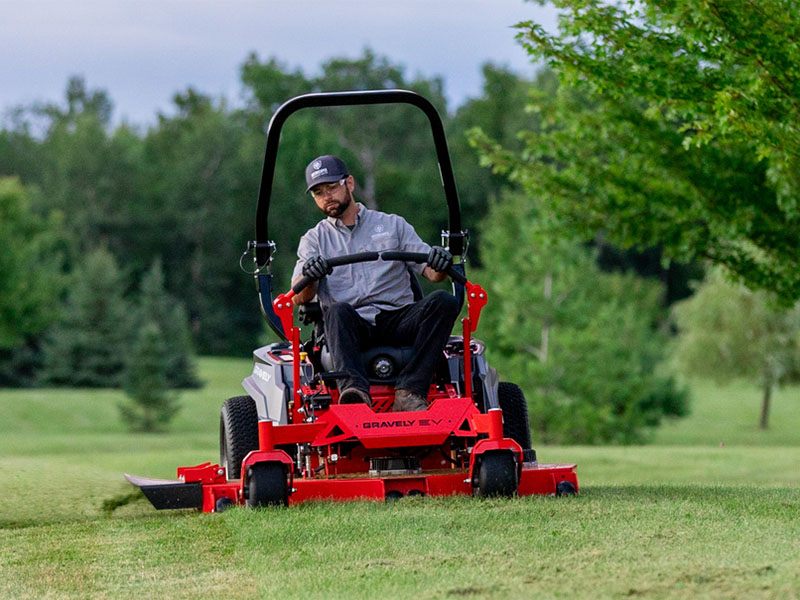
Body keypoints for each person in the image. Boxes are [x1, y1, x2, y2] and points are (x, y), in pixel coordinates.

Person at [291, 155, 461, 412]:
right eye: (318, 192)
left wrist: (440, 261)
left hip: (398, 318)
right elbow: (299, 297)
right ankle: (354, 392)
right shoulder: (314, 240)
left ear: (349, 183)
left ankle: (410, 390)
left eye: (332, 188)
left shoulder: (392, 225)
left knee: (444, 301)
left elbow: (433, 274)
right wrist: (310, 275)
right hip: (350, 326)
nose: (327, 196)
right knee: (336, 310)